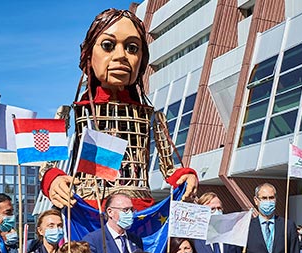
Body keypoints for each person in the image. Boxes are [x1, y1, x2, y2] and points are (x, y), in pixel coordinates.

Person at [39, 8, 197, 210]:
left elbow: (170, 169)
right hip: (89, 209)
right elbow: (47, 166)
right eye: (108, 45)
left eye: (132, 48)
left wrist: (186, 176)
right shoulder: (72, 112)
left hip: (138, 213)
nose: (121, 56)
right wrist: (53, 180)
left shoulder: (152, 116)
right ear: (89, 54)